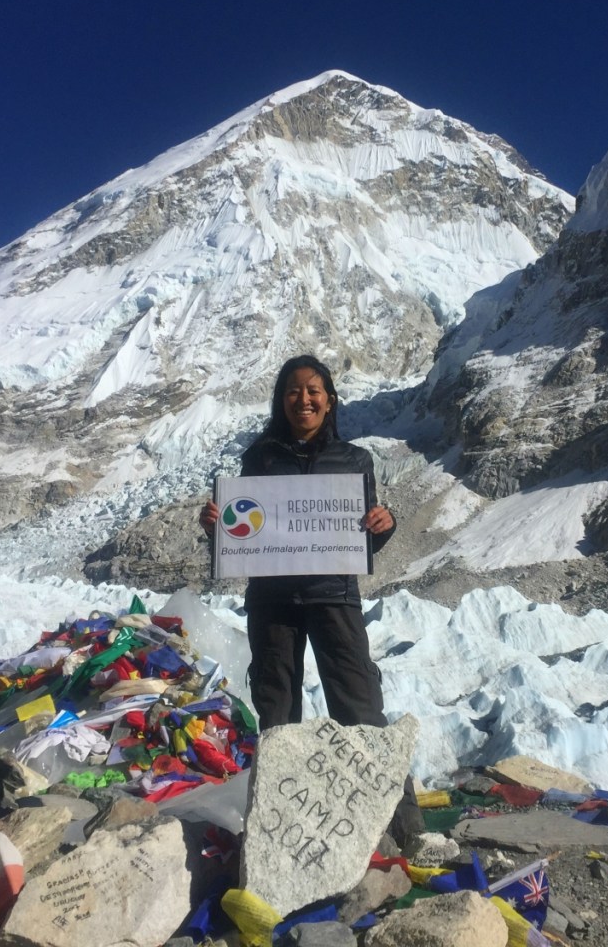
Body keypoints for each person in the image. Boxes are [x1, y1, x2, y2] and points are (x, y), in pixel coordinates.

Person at [199, 354, 423, 848]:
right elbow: (243, 528)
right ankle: (279, 835)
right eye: (294, 391)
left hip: (334, 597)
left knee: (361, 707)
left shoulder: (354, 461)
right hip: (272, 602)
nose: (304, 399)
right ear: (282, 402)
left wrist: (382, 528)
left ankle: (405, 830)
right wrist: (216, 526)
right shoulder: (259, 458)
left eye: (314, 390)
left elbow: (361, 536)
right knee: (276, 715)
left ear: (330, 400)